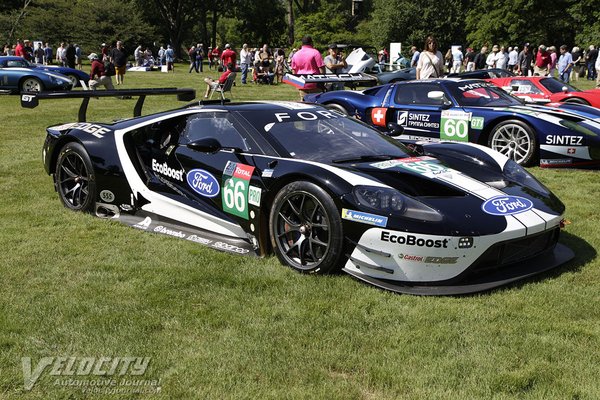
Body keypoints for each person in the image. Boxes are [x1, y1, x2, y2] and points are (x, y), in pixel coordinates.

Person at [290, 35, 325, 100]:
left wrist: (297, 84)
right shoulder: (315, 52)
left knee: (304, 103)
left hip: (301, 83)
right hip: (315, 83)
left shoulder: (296, 54)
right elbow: (321, 68)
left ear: (302, 44)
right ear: (311, 43)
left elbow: (293, 70)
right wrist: (323, 82)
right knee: (317, 104)